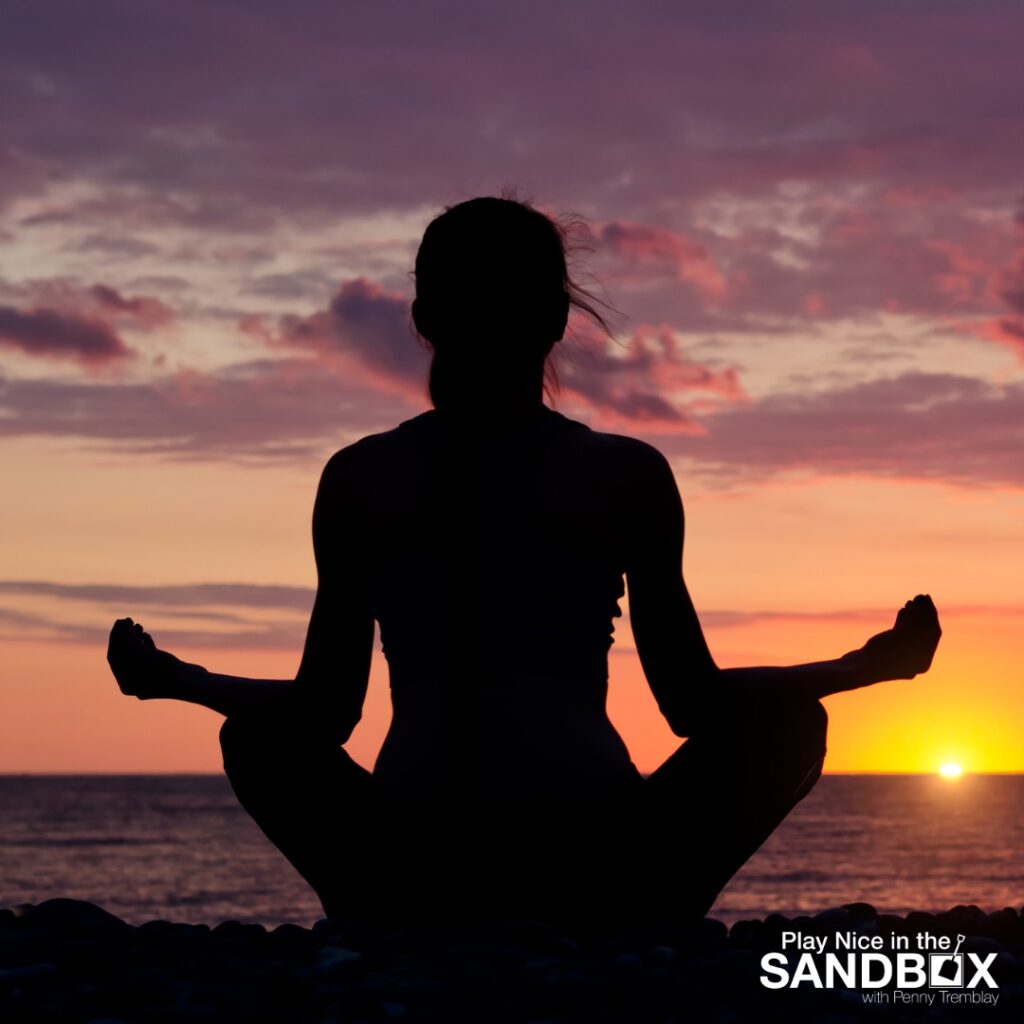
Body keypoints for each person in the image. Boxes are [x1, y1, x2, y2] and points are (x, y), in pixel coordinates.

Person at [107, 196, 942, 927]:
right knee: (793, 722)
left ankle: (390, 922)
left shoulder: (360, 477)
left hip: (412, 861)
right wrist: (862, 668)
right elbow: (697, 703)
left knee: (261, 740)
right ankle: (639, 924)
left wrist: (178, 680)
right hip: (597, 861)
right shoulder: (623, 474)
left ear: (423, 318)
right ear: (556, 320)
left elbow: (323, 715)